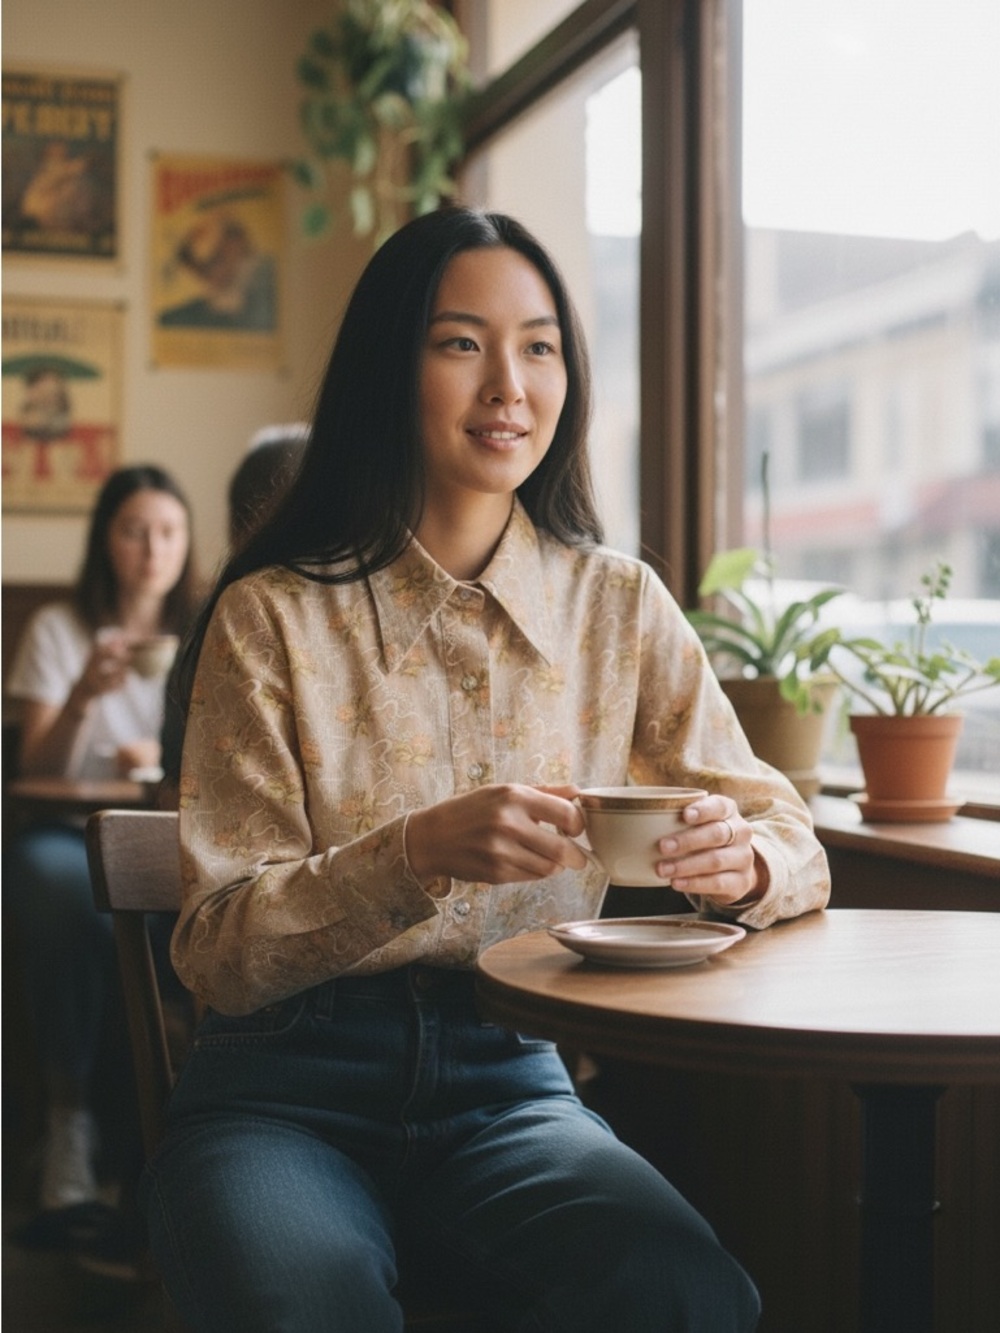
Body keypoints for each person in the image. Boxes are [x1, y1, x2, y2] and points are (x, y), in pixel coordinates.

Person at [144, 207, 830, 1332]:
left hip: (515, 1080)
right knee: (302, 1308)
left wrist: (744, 861)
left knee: (691, 1296)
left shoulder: (617, 606)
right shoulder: (270, 618)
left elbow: (791, 837)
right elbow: (217, 947)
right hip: (280, 1091)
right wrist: (409, 854)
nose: (509, 384)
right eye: (460, 342)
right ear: (387, 367)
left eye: (541, 345)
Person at [4, 464, 199, 1244]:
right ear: (104, 541)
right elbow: (31, 765)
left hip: (168, 836)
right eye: (133, 529)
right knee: (56, 883)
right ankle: (68, 1122)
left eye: (169, 532)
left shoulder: (209, 631)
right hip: (68, 829)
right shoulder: (59, 628)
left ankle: (166, 1155)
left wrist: (163, 755)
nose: (152, 549)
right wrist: (85, 693)